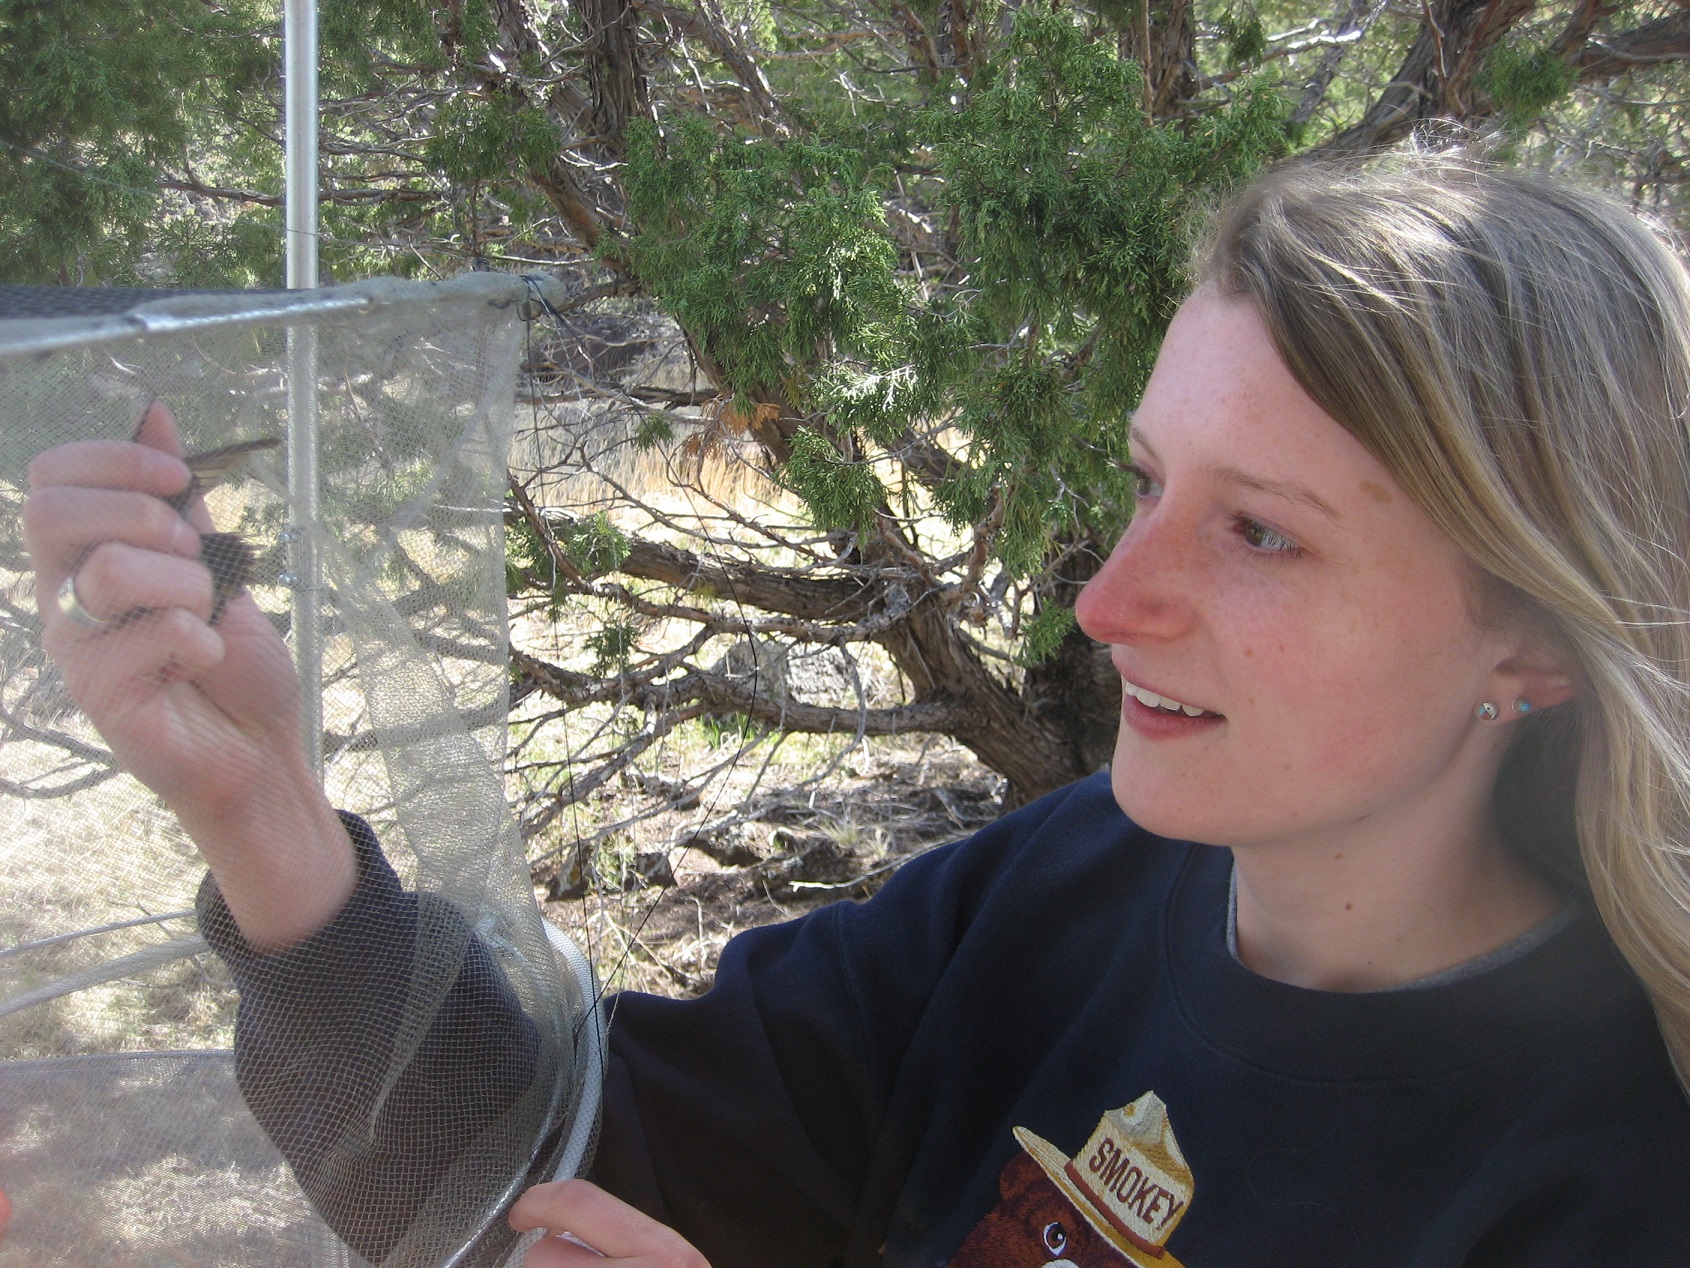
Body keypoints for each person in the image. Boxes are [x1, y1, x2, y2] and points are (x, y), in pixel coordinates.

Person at [23, 153, 1690, 1267]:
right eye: (1143, 481)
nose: (1108, 603)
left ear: (1537, 642)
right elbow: (545, 1178)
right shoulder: (1066, 888)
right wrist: (264, 814)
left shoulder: (1602, 1181)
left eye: (1260, 532)